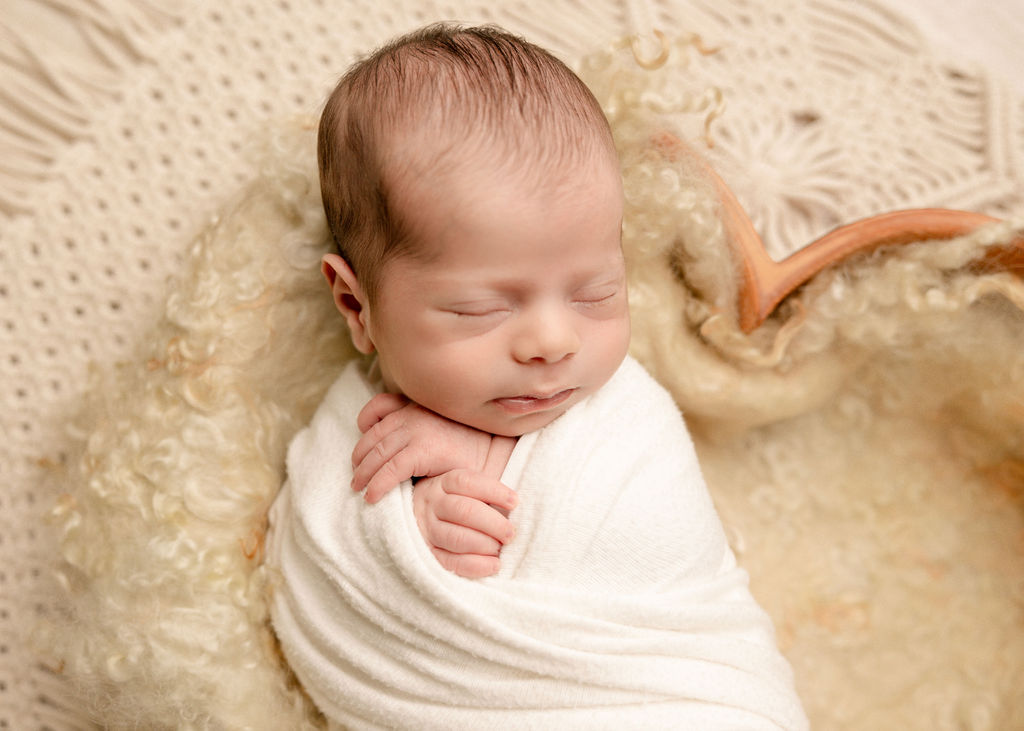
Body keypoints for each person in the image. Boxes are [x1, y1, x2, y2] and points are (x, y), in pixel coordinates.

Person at [267, 22, 808, 728]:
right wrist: (408, 541)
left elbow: (656, 548)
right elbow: (313, 563)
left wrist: (482, 456)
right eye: (480, 307)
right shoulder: (354, 423)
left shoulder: (624, 419)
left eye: (595, 293)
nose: (554, 341)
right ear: (356, 304)